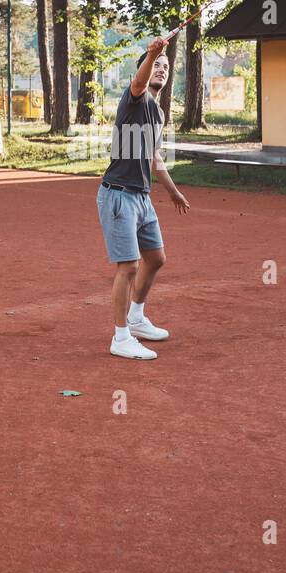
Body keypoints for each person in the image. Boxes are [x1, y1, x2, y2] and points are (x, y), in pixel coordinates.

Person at [96, 37, 191, 360]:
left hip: (142, 197)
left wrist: (173, 191)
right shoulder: (134, 99)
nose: (161, 70)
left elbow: (154, 159)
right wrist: (152, 54)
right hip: (118, 194)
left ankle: (136, 319)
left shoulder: (158, 114)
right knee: (128, 265)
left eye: (166, 67)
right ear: (145, 68)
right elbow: (138, 81)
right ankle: (120, 337)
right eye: (156, 66)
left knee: (156, 259)